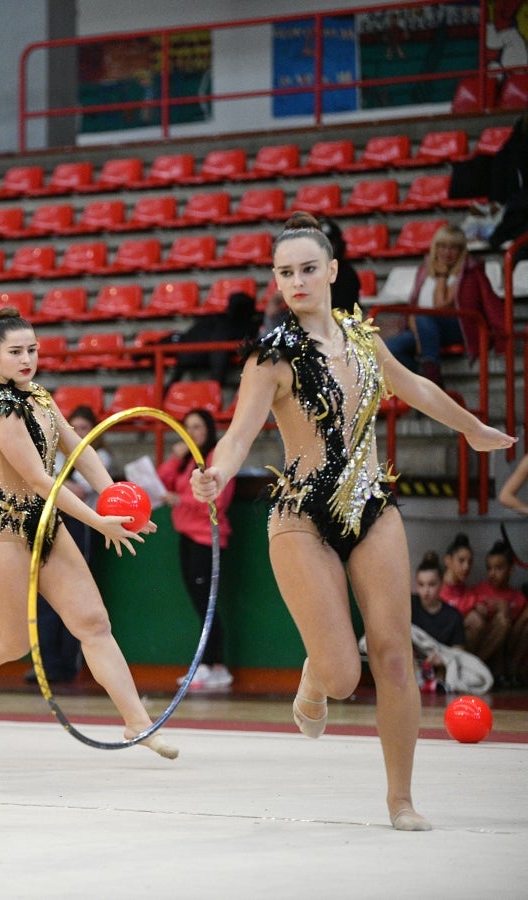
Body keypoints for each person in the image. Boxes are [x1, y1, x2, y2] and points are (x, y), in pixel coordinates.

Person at [189, 212, 515, 831]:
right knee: (343, 674)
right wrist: (216, 473)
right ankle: (315, 674)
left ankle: (400, 799)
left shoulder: (364, 338)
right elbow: (236, 437)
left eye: (309, 268)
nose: (297, 281)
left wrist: (471, 428)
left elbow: (414, 385)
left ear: (333, 271)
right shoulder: (271, 358)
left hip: (371, 506)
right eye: (285, 273)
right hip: (301, 514)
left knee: (393, 657)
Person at [0, 308, 178, 760]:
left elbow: (79, 451)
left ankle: (137, 724)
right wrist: (97, 521)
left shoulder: (41, 397)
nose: (26, 359)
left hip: (46, 525)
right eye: (15, 352)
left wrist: (117, 500)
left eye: (32, 350)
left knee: (94, 623)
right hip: (1, 529)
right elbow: (41, 479)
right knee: (15, 641)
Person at [27, 404, 111, 686]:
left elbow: (78, 489)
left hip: (80, 526)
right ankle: (45, 665)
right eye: (73, 428)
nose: (78, 434)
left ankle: (68, 664)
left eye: (84, 428)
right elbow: (43, 485)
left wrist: (59, 487)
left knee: (76, 596)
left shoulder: (98, 458)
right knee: (44, 597)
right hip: (48, 524)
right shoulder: (53, 457)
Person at [159, 408, 235, 691]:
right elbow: (159, 481)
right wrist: (176, 457)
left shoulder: (216, 459)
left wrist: (181, 501)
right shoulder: (187, 460)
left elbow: (218, 500)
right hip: (187, 537)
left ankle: (215, 665)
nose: (191, 433)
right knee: (199, 601)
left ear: (208, 431)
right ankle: (210, 664)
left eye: (197, 427)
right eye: (186, 427)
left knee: (207, 603)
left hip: (208, 538)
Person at [384, 224, 504, 385]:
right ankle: (417, 389)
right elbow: (413, 307)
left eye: (453, 248)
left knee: (425, 318)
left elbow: (441, 307)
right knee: (391, 348)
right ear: (435, 247)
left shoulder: (469, 272)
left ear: (462, 251)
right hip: (424, 329)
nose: (446, 252)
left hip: (459, 328)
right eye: (442, 246)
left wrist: (442, 275)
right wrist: (419, 335)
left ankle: (432, 379)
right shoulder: (424, 270)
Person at [470, 541, 528, 686]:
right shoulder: (480, 591)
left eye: (498, 568)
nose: (492, 573)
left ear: (511, 569)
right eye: (489, 568)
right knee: (502, 620)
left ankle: (511, 672)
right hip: (486, 651)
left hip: (509, 653)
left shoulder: (519, 598)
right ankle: (476, 668)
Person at [410, 551, 466, 692]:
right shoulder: (409, 606)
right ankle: (419, 680)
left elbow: (459, 651)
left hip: (440, 664)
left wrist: (442, 658)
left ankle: (440, 684)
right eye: (421, 585)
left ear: (441, 584)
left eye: (431, 584)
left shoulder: (453, 616)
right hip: (412, 663)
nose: (426, 590)